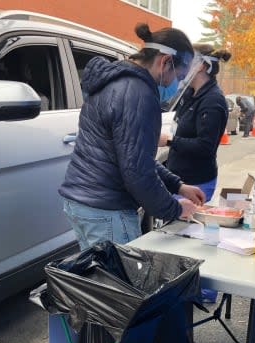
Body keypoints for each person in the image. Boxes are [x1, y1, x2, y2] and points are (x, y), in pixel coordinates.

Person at [59, 23, 205, 251]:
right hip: (107, 209)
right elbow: (137, 172)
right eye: (178, 76)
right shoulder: (139, 95)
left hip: (81, 203)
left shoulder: (114, 81)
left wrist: (178, 186)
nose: (175, 85)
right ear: (165, 61)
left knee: (99, 279)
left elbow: (133, 156)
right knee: (121, 284)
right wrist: (176, 209)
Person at [160, 44, 231, 304]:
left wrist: (169, 142)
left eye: (187, 62)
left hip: (197, 180)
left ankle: (205, 290)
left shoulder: (213, 101)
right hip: (180, 176)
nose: (181, 68)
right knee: (182, 238)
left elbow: (205, 147)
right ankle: (187, 287)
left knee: (196, 240)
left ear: (201, 66)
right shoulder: (192, 95)